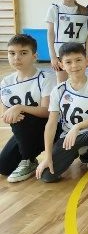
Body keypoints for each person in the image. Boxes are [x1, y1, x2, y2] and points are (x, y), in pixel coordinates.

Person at [36, 43, 88, 182]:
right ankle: (82, 151)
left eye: (78, 60)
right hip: (68, 138)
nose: (74, 65)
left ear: (86, 61)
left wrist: (77, 127)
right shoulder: (58, 91)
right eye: (68, 62)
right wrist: (47, 157)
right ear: (61, 65)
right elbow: (51, 123)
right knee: (47, 176)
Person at [0, 35, 55, 182]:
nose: (17, 58)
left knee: (21, 114)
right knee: (3, 167)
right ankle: (30, 157)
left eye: (23, 53)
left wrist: (19, 108)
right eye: (12, 53)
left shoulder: (45, 78)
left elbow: (47, 112)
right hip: (23, 132)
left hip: (49, 129)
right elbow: (5, 114)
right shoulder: (6, 82)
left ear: (34, 56)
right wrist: (12, 113)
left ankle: (27, 160)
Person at [45, 0, 88, 83]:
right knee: (61, 83)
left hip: (79, 51)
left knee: (79, 81)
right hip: (61, 52)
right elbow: (50, 34)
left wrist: (87, 55)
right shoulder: (54, 8)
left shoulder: (84, 10)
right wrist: (53, 56)